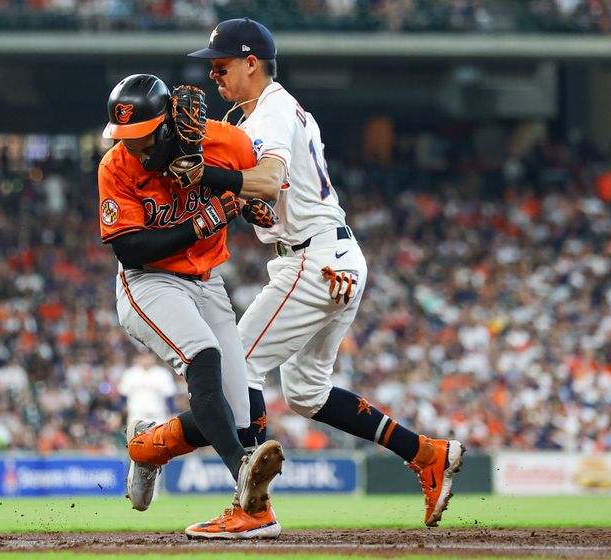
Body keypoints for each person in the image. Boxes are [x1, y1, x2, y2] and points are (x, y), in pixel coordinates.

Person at [130, 18, 466, 535]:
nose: (214, 76)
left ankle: (243, 504)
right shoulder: (258, 118)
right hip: (334, 255)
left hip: (313, 259)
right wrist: (240, 198)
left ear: (252, 63)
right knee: (308, 393)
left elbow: (266, 179)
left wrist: (203, 172)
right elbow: (269, 197)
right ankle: (426, 454)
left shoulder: (273, 110)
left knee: (237, 372)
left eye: (221, 66)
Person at [98, 74, 284, 539]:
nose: (133, 149)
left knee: (237, 417)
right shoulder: (116, 166)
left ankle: (148, 447)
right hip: (149, 281)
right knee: (204, 356)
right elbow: (130, 250)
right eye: (125, 139)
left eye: (142, 138)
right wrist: (199, 225)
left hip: (207, 281)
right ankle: (244, 478)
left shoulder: (223, 142)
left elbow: (268, 185)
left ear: (166, 127)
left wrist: (244, 195)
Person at [118, 351, 178, 427]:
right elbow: (123, 397)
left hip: (158, 418)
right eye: (142, 356)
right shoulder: (129, 374)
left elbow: (170, 398)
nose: (145, 359)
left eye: (148, 356)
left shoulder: (163, 374)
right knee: (136, 439)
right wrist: (118, 415)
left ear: (154, 357)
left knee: (158, 439)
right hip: (136, 417)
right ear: (137, 358)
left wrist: (173, 414)